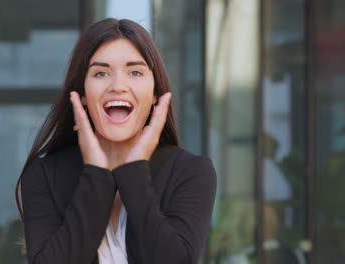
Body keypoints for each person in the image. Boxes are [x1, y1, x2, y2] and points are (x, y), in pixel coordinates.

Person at [15, 18, 217, 264]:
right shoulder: (44, 175)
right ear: (82, 95)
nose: (118, 86)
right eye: (101, 73)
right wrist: (97, 174)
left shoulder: (190, 172)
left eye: (135, 72)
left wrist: (134, 171)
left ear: (155, 94)